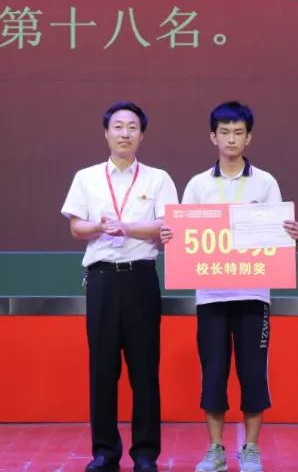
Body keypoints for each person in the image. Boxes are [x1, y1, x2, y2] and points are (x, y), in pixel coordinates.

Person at [161, 101, 298, 472]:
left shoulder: (265, 182)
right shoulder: (198, 185)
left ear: (248, 137)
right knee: (214, 373)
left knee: (253, 373)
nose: (231, 139)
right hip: (211, 296)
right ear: (213, 136)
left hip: (254, 294)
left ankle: (251, 449)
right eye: (224, 132)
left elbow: (279, 232)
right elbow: (184, 235)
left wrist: (295, 234)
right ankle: (215, 450)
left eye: (238, 132)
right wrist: (171, 236)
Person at [62, 101, 178, 472]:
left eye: (132, 127)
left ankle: (145, 453)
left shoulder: (158, 179)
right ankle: (105, 452)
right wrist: (98, 226)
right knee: (102, 368)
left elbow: (166, 226)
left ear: (142, 135)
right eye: (118, 126)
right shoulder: (86, 177)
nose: (124, 133)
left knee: (144, 369)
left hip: (141, 278)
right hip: (102, 280)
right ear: (106, 133)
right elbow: (76, 227)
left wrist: (125, 228)